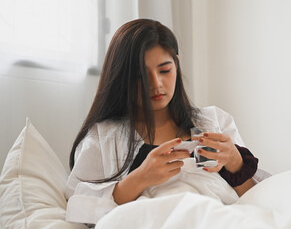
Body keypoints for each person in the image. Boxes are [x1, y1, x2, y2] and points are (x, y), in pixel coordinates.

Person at [65, 19, 259, 225]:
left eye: (165, 70)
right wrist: (140, 178)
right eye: (140, 76)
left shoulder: (213, 121)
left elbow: (255, 201)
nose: (156, 84)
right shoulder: (103, 136)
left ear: (176, 64)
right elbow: (79, 207)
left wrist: (236, 163)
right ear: (122, 78)